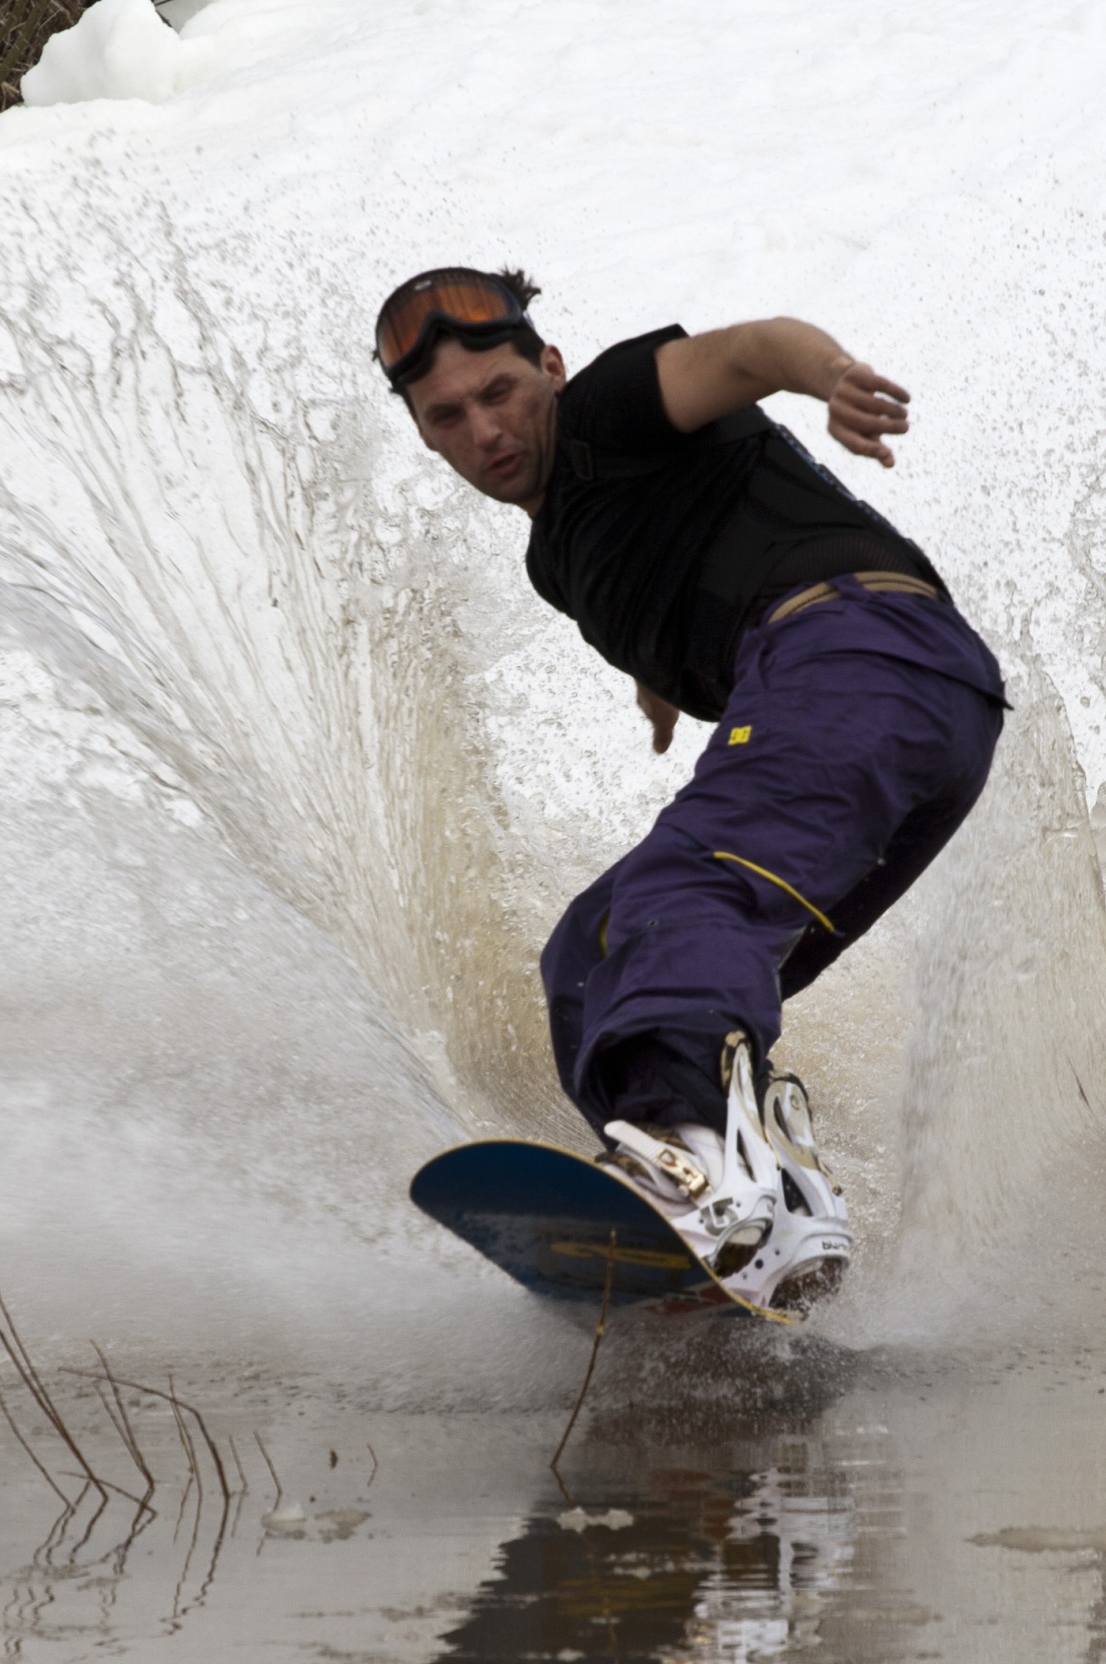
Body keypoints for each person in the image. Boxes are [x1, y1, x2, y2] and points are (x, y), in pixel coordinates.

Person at [374, 267, 1005, 1310]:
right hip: (920, 717)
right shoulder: (558, 556)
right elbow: (666, 555)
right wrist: (659, 678)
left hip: (855, 652)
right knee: (593, 953)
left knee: (683, 898)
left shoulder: (613, 407)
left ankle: (706, 1168)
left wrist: (831, 376)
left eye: (501, 393)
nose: (484, 429)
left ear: (550, 367)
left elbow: (751, 350)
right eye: (448, 416)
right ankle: (754, 1214)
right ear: (425, 432)